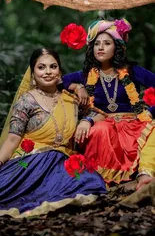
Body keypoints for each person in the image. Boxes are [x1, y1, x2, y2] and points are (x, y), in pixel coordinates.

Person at [0, 48, 106, 218]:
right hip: (30, 162)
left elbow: (101, 114)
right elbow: (12, 139)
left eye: (53, 66)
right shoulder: (27, 100)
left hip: (62, 162)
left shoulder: (72, 99)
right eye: (41, 67)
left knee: (91, 182)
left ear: (60, 71)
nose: (48, 72)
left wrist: (86, 120)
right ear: (33, 74)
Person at [62, 19, 155, 187]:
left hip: (133, 125)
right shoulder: (87, 74)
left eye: (107, 43)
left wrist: (151, 112)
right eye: (97, 44)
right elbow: (58, 82)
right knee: (98, 130)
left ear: (117, 47)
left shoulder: (132, 70)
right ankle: (98, 179)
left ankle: (145, 173)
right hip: (104, 125)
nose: (101, 47)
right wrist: (78, 86)